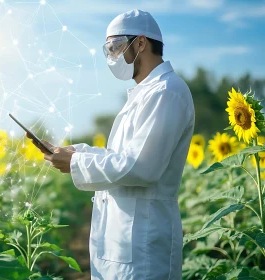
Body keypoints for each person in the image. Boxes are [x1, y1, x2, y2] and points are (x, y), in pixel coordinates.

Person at [26, 9, 194, 280]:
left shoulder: (167, 92)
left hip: (143, 245)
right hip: (122, 239)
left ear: (140, 43)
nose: (112, 57)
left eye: (116, 47)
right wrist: (75, 152)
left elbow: (142, 167)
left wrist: (76, 163)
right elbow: (121, 155)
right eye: (109, 50)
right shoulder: (145, 93)